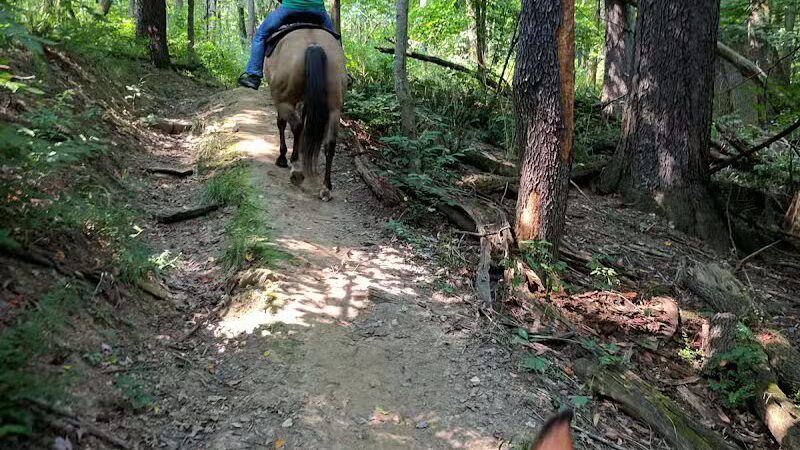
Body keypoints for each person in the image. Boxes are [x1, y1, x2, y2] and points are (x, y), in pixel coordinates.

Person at [238, 0, 336, 90]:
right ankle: (342, 73)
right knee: (335, 38)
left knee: (260, 36)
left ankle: (253, 76)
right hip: (317, 10)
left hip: (290, 8)